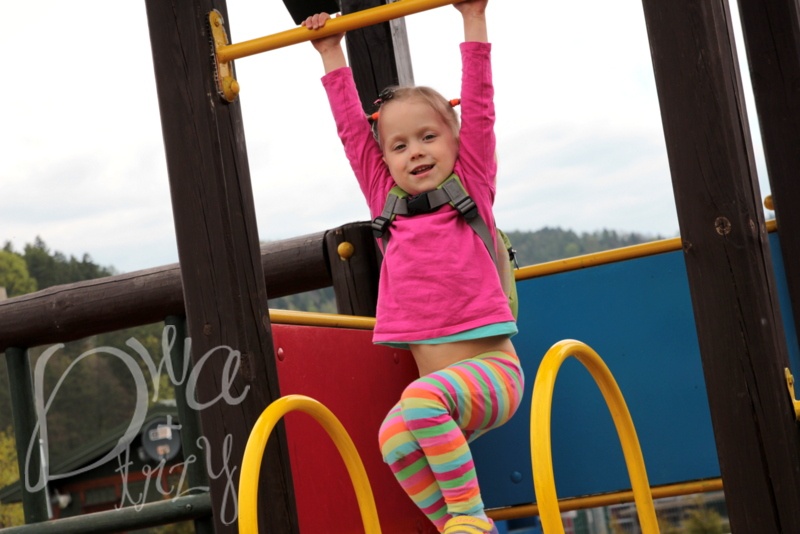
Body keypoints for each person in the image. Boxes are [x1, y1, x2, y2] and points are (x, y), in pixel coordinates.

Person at [303, 2, 523, 532]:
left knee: (419, 401)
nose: (416, 153)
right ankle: (458, 527)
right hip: (440, 397)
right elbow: (352, 133)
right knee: (394, 439)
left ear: (455, 140)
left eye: (428, 137)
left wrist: (473, 18)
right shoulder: (386, 201)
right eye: (399, 146)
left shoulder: (470, 185)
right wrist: (330, 52)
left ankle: (470, 517)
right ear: (385, 159)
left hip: (493, 377)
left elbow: (480, 105)